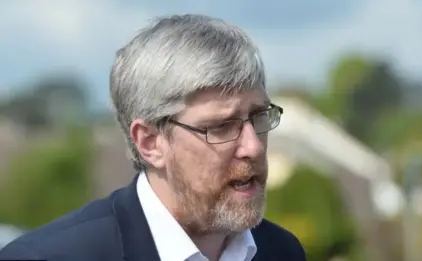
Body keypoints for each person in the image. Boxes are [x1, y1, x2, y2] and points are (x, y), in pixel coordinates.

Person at [0, 14, 307, 261]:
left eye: (258, 117)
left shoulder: (281, 250)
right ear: (149, 142)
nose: (253, 146)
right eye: (221, 126)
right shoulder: (52, 256)